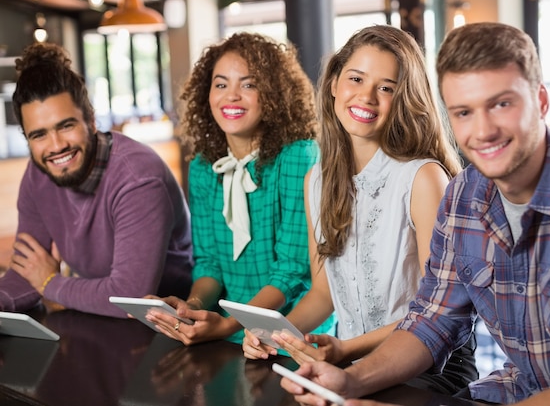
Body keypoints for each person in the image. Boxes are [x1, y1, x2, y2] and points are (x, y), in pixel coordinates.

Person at [280, 22, 550, 406]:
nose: (483, 130)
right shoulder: (464, 196)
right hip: (515, 389)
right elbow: (432, 321)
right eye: (463, 112)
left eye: (501, 104)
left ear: (541, 101)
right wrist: (350, 382)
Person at [242, 24, 477, 394]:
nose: (367, 96)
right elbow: (323, 293)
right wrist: (277, 333)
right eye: (356, 78)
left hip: (428, 368)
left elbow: (436, 314)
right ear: (334, 83)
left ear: (404, 99)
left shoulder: (424, 177)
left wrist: (345, 350)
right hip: (349, 361)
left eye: (386, 87)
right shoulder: (315, 180)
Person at [144, 32, 335, 345]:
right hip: (230, 336)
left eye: (248, 84)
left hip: (294, 335)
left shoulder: (299, 157)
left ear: (273, 94)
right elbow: (209, 265)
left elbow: (291, 272)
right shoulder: (204, 168)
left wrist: (228, 324)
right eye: (221, 84)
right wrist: (192, 309)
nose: (231, 96)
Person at [0, 43, 193, 317]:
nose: (55, 146)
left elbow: (131, 296)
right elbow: (25, 273)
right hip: (99, 320)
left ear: (90, 120)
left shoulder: (138, 178)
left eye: (66, 126)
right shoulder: (37, 176)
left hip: (172, 327)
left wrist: (50, 283)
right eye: (39, 135)